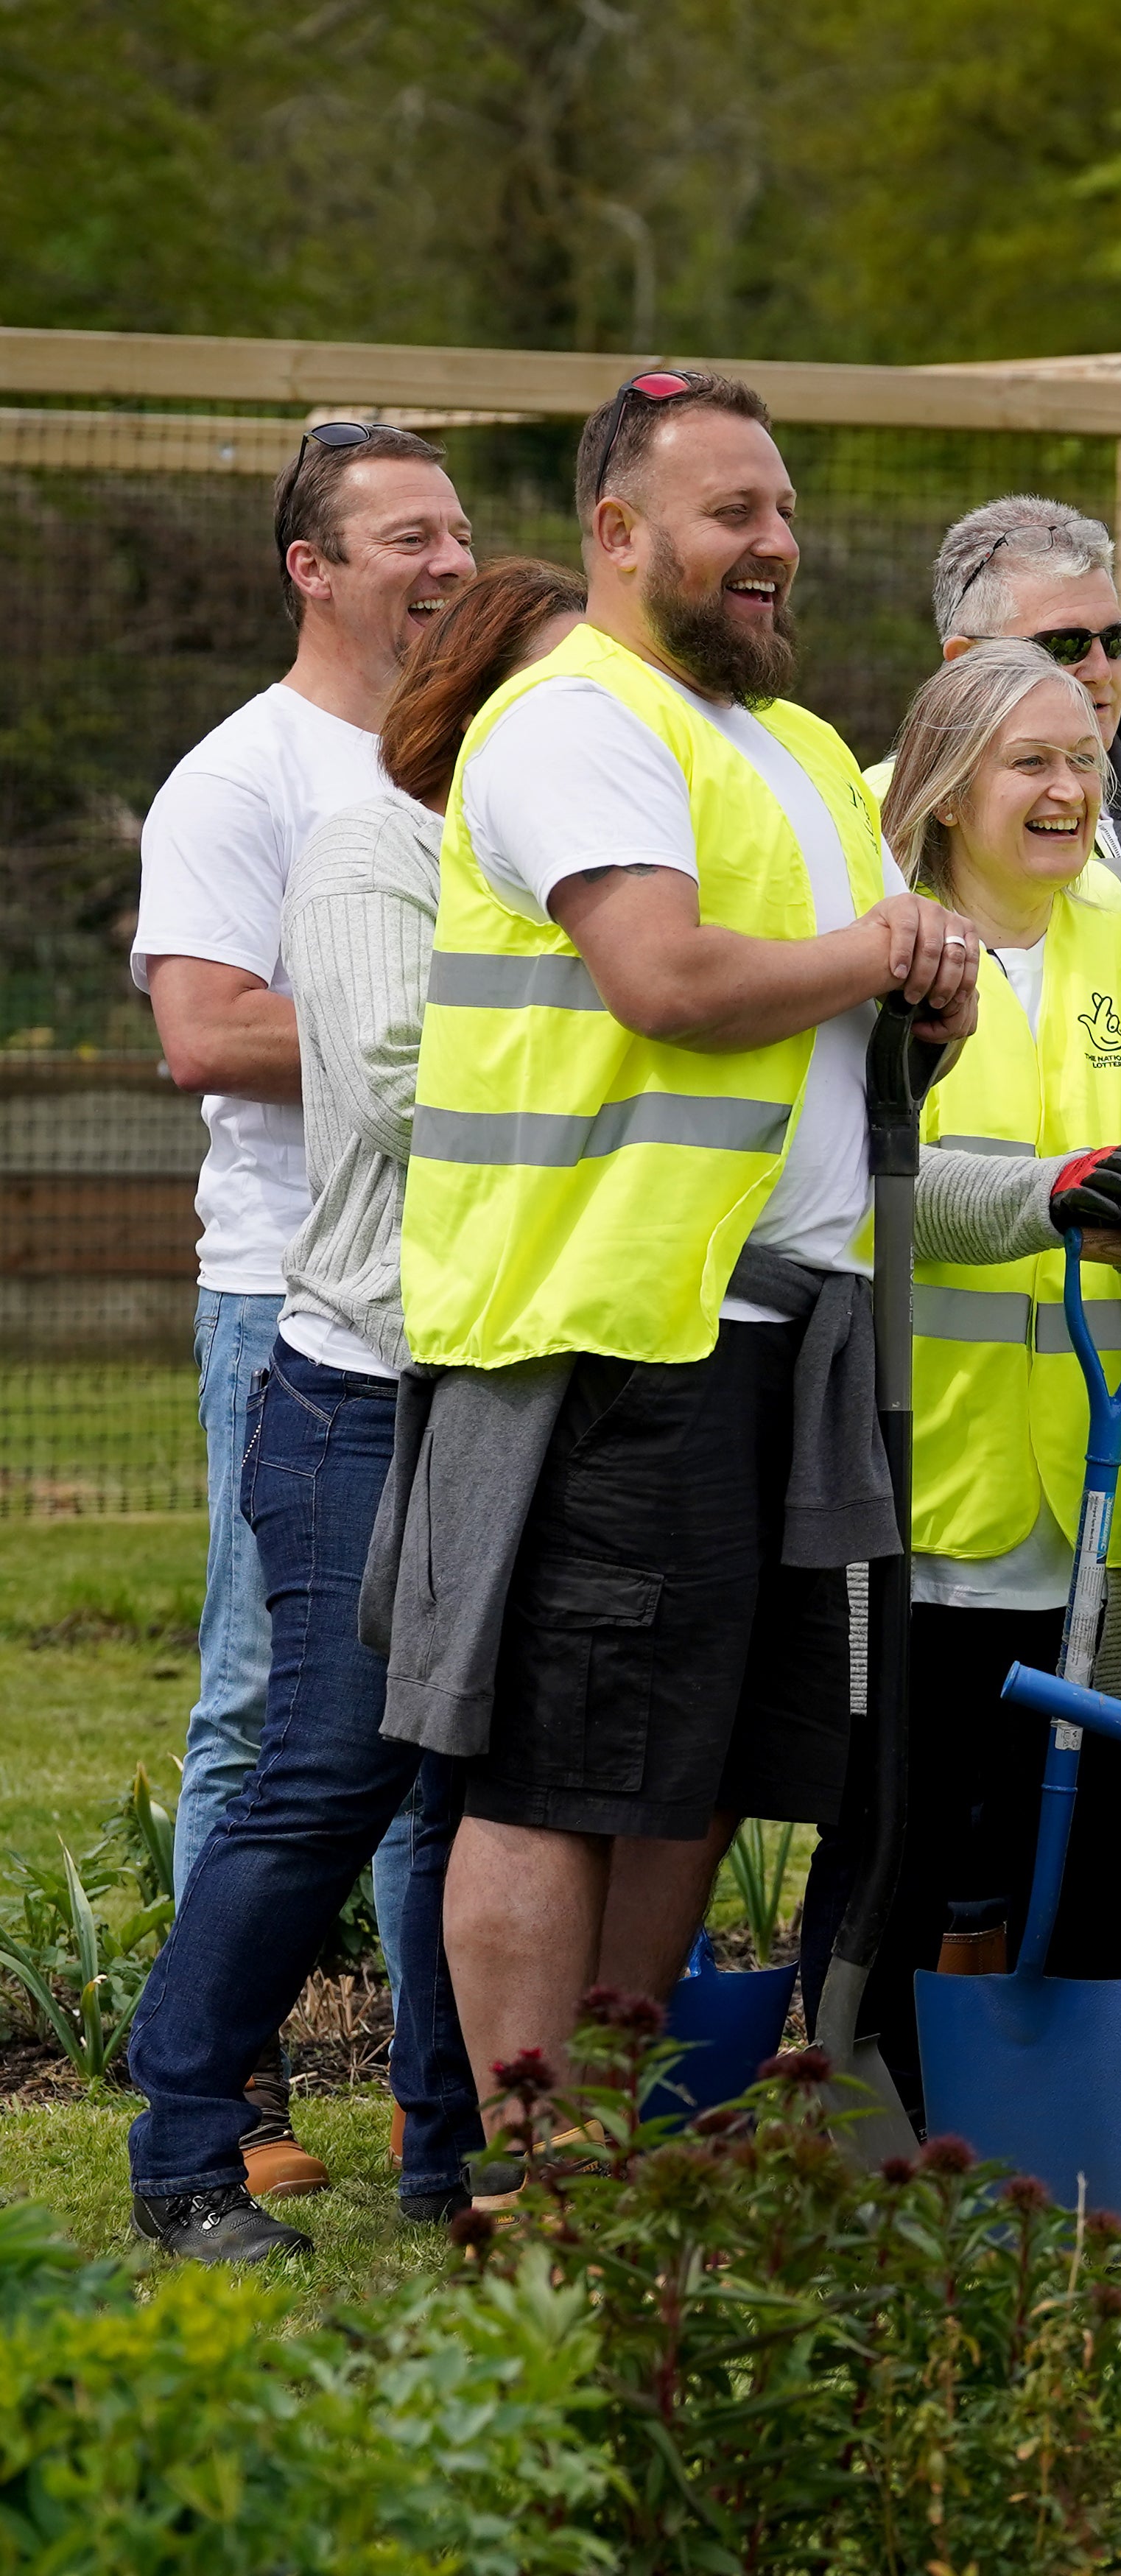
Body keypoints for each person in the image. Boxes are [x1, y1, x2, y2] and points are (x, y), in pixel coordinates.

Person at [387, 368, 981, 2166]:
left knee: (699, 1774)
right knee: (559, 1776)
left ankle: (622, 2152)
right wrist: (878, 950)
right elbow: (665, 977)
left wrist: (918, 1006)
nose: (776, 545)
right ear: (620, 532)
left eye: (784, 511)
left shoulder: (793, 746)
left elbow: (814, 1024)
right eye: (735, 513)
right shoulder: (577, 720)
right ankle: (538, 2166)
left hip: (775, 1333)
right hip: (605, 1325)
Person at [119, 558, 573, 2264]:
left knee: (486, 1785)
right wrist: (641, 1009)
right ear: (469, 700)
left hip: (530, 1390)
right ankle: (186, 2148)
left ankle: (453, 2150)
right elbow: (390, 1079)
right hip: (365, 1387)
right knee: (328, 1762)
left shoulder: (584, 876)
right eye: (544, 694)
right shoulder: (375, 849)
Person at [855, 640, 1121, 2160]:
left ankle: (1065, 2145)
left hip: (1109, 1497)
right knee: (914, 1835)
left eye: (1084, 758)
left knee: (1105, 1835)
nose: (1069, 789)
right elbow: (870, 1176)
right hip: (927, 1493)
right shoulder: (882, 951)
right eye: (1030, 761)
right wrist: (1055, 1195)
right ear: (947, 787)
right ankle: (886, 2121)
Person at [137, 421, 474, 1946]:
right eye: (408, 537)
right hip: (288, 1292)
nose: (449, 562)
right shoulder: (241, 772)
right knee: (263, 1691)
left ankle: (439, 2090)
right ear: (312, 568)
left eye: (457, 534)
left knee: (436, 1701)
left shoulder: (487, 755)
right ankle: (232, 2088)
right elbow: (205, 1028)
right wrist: (450, 1035)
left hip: (468, 1278)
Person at [912, 495, 1121, 978]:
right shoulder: (892, 800)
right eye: (1064, 645)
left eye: (1115, 639)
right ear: (965, 660)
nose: (1100, 669)